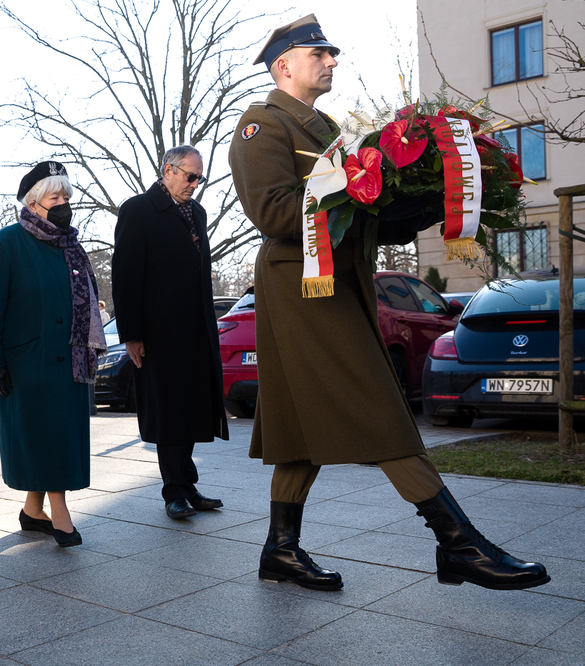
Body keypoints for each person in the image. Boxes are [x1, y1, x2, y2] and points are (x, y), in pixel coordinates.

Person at [229, 15, 549, 592]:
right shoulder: (263, 126)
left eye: (333, 54)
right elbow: (275, 214)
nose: (331, 61)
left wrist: (421, 195)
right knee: (378, 405)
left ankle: (280, 549)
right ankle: (458, 543)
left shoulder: (326, 128)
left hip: (338, 286)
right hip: (304, 291)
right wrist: (355, 181)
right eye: (318, 53)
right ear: (284, 64)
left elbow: (366, 221)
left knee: (301, 426)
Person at [0, 161, 105, 548]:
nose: (63, 204)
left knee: (57, 437)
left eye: (66, 197)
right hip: (28, 364)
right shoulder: (8, 242)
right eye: (55, 197)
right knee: (46, 439)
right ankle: (60, 514)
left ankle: (33, 510)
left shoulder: (71, 246)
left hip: (69, 362)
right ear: (32, 204)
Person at [111, 145, 229, 520]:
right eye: (190, 176)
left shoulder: (196, 212)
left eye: (200, 178)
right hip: (159, 331)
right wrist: (131, 333)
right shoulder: (138, 210)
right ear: (168, 170)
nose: (195, 184)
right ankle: (173, 491)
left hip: (195, 329)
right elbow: (125, 276)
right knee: (168, 411)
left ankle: (187, 484)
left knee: (193, 406)